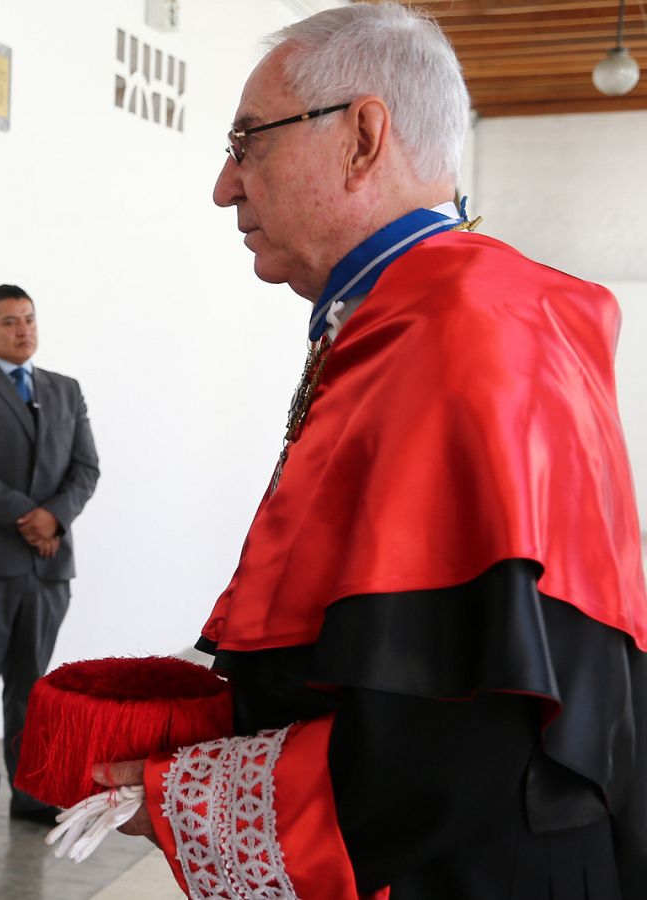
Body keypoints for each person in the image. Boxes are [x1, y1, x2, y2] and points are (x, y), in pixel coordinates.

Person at [94, 4, 647, 898]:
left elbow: (448, 722)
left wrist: (179, 798)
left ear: (361, 137)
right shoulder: (447, 308)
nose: (225, 187)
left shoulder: (460, 329)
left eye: (248, 142)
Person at [0, 285, 99, 842]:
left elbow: (86, 469)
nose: (23, 330)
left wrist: (54, 517)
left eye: (30, 319)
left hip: (48, 568)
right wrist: (28, 518)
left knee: (34, 690)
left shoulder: (65, 389)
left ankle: (31, 795)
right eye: (9, 322)